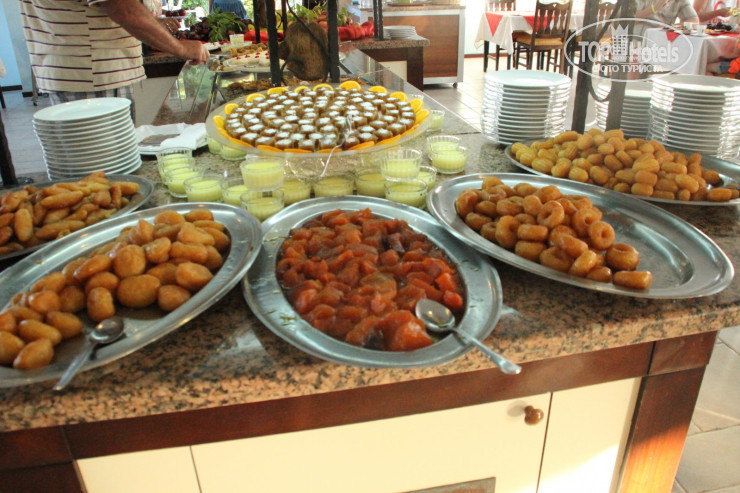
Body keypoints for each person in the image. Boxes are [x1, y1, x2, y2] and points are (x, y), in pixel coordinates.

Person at [19, 0, 209, 108]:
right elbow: (122, 8)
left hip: (83, 72)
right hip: (94, 75)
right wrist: (181, 48)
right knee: (104, 162)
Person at [635, 0, 700, 27]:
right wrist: (654, 8)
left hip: (662, 40)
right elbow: (632, 19)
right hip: (639, 40)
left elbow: (694, 20)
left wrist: (669, 27)